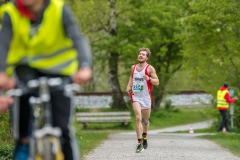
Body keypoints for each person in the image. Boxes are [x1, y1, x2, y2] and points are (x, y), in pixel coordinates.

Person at [0, 0, 92, 159]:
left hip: (59, 73)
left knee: (63, 130)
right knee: (22, 132)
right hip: (25, 73)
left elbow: (77, 38)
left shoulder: (59, 9)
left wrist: (84, 67)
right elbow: (2, 45)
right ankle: (23, 146)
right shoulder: (11, 12)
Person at [126, 47, 159, 153]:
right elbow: (131, 77)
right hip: (136, 96)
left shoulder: (150, 68)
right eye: (140, 54)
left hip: (146, 98)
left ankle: (145, 136)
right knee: (138, 118)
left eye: (143, 54)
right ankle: (139, 143)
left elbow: (157, 82)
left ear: (147, 57)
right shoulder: (133, 67)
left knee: (145, 120)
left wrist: (149, 78)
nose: (141, 55)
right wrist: (128, 86)